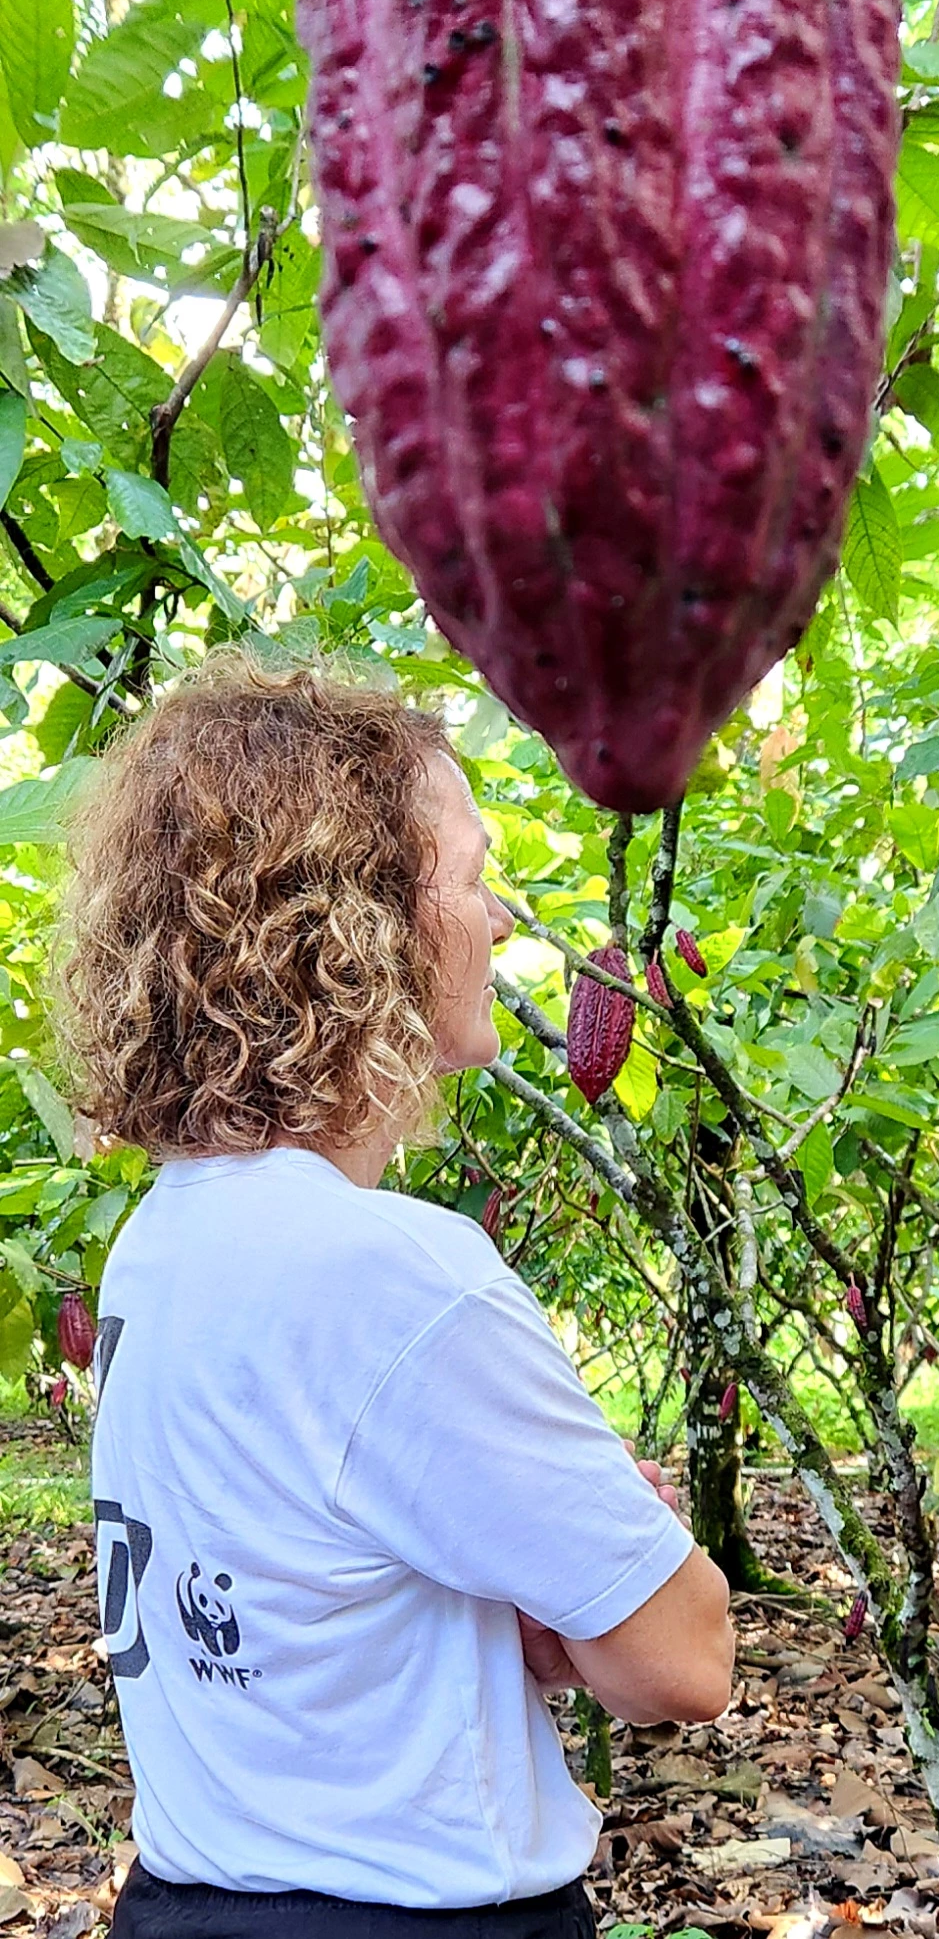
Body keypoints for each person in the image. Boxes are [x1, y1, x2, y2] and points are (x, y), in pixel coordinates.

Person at [58, 652, 734, 1939]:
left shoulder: (166, 1236)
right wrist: (608, 1567)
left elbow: (315, 1614)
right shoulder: (394, 1272)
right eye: (472, 877)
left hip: (188, 1906)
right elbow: (684, 1660)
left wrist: (533, 1591)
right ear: (359, 925)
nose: (502, 922)